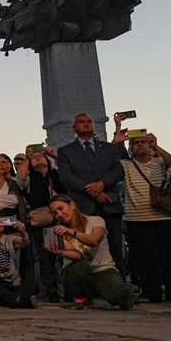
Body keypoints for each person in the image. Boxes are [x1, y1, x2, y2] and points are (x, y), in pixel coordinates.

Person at [112, 123, 171, 304]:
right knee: (146, 257)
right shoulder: (126, 165)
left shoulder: (160, 162)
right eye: (136, 143)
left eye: (144, 142)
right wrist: (116, 141)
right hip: (137, 218)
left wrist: (156, 146)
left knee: (170, 256)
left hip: (166, 216)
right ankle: (151, 292)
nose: (140, 145)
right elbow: (107, 161)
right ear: (131, 148)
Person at [57, 113, 127, 276]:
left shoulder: (109, 148)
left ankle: (121, 286)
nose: (86, 124)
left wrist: (101, 184)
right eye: (81, 122)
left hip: (110, 204)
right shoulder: (65, 151)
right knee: (81, 247)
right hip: (82, 207)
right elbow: (67, 177)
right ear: (74, 127)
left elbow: (118, 171)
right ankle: (84, 289)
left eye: (89, 121)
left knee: (115, 247)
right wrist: (93, 191)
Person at [47, 195, 132, 310]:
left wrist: (72, 233)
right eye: (55, 213)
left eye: (61, 209)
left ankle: (121, 293)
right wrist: (61, 253)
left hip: (102, 269)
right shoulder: (60, 231)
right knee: (79, 268)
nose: (59, 215)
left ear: (72, 205)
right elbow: (78, 255)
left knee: (120, 296)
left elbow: (94, 240)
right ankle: (82, 298)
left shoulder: (95, 220)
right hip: (78, 271)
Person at [22, 147, 65, 302]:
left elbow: (70, 172)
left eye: (41, 155)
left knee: (64, 256)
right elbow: (20, 178)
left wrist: (56, 155)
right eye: (35, 157)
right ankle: (51, 291)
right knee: (46, 258)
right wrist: (28, 158)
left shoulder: (56, 173)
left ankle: (67, 289)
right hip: (43, 223)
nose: (38, 157)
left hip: (63, 220)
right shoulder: (30, 179)